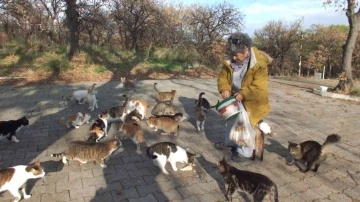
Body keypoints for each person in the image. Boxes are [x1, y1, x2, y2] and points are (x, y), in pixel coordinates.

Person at [214, 32, 271, 162]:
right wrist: (225, 89)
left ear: (246, 50)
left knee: (246, 126)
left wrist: (243, 93)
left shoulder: (260, 63)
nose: (233, 58)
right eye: (231, 54)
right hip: (234, 98)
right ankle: (231, 143)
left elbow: (259, 87)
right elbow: (223, 77)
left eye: (236, 55)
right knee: (232, 121)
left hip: (253, 100)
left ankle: (245, 153)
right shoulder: (229, 61)